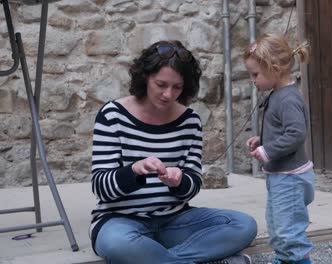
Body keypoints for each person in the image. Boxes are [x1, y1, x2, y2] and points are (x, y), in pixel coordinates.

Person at [90, 40, 257, 264]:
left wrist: (179, 182)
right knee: (116, 244)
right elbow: (101, 188)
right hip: (121, 222)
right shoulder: (112, 115)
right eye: (161, 84)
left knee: (244, 225)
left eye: (177, 87)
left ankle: (159, 260)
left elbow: (193, 184)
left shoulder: (190, 121)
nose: (168, 94)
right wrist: (134, 170)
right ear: (145, 78)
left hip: (175, 222)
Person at [243, 33, 315, 264]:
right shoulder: (279, 94)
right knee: (277, 224)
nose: (253, 80)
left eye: (255, 74)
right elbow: (282, 129)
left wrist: (268, 151)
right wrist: (262, 140)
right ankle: (284, 259)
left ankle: (295, 260)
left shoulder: (287, 99)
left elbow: (296, 134)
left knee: (288, 229)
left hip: (291, 179)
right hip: (281, 176)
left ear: (274, 68)